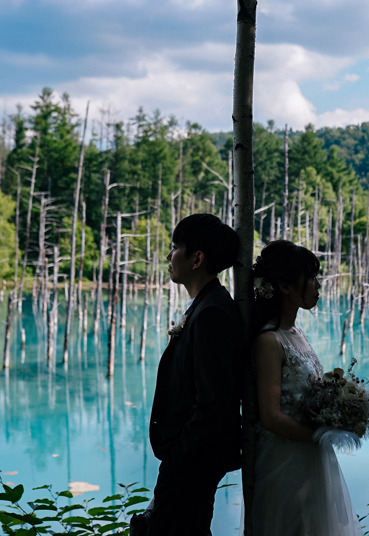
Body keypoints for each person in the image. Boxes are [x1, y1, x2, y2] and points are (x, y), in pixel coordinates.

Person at [133, 214, 244, 536]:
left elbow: (214, 401)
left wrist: (180, 457)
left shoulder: (212, 313)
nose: (169, 256)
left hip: (192, 462)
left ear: (197, 259)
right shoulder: (207, 305)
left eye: (175, 247)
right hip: (192, 460)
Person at [249, 239, 362, 536]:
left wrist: (339, 411)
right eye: (310, 277)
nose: (317, 284)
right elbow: (271, 417)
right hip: (286, 462)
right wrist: (322, 435)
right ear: (285, 286)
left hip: (312, 456)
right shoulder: (268, 341)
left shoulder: (296, 331)